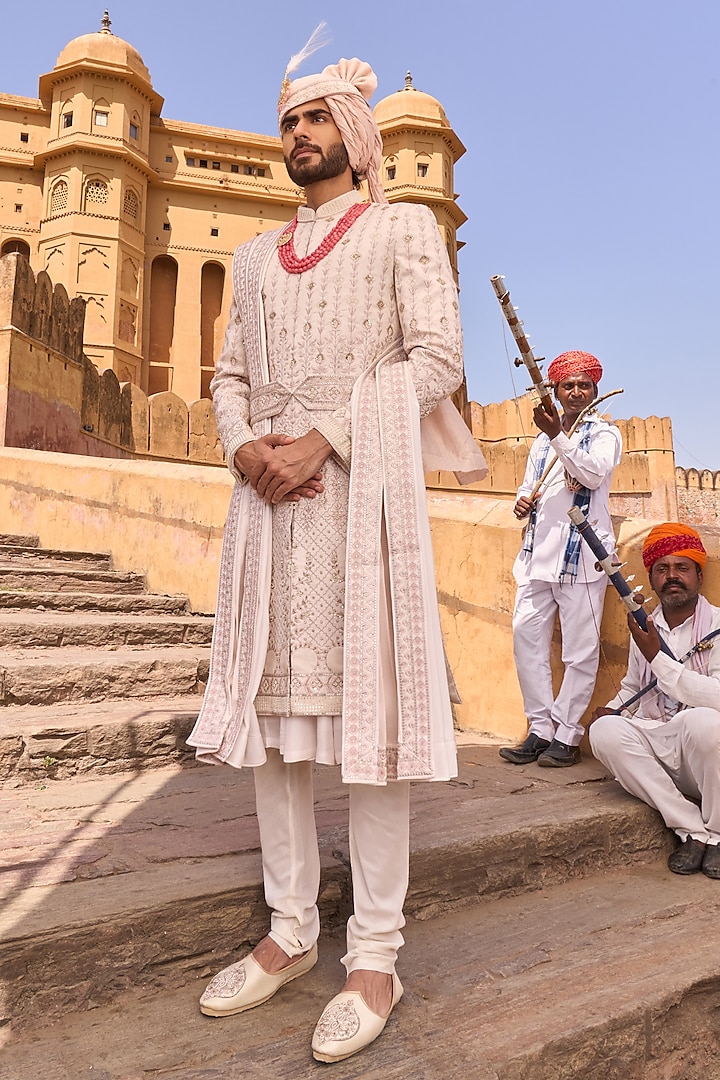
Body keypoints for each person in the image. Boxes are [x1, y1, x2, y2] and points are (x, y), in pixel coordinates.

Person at [187, 47, 486, 1065]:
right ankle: (289, 930)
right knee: (274, 736)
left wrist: (329, 437)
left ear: (356, 137)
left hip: (359, 505)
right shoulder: (260, 258)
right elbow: (227, 375)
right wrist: (244, 447)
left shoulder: (404, 229)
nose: (299, 137)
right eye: (289, 123)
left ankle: (376, 955)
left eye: (317, 120)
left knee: (373, 734)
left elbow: (438, 358)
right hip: (268, 508)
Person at [499, 351, 622, 767]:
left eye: (583, 385)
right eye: (567, 385)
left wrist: (557, 436)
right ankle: (540, 729)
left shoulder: (605, 435)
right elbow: (528, 484)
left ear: (594, 391)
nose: (575, 392)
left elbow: (590, 474)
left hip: (584, 559)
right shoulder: (540, 441)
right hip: (537, 557)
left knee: (579, 651)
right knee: (526, 642)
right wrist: (522, 499)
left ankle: (567, 735)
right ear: (555, 390)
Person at [590, 523, 720, 878]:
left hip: (707, 757)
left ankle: (719, 834)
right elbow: (634, 686)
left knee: (705, 721)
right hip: (661, 742)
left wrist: (658, 659)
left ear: (699, 575)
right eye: (662, 569)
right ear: (651, 579)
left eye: (682, 568)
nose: (672, 576)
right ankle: (691, 829)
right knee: (604, 732)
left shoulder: (719, 625)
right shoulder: (646, 627)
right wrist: (615, 708)